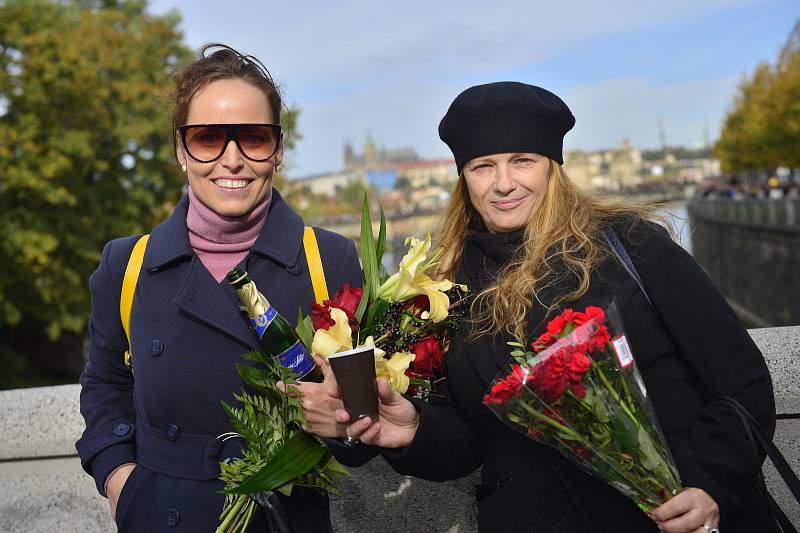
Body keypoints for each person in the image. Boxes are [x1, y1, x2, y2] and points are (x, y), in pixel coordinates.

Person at [319, 82, 777, 532]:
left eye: (522, 161)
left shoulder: (632, 247)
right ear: (464, 178)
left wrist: (708, 483)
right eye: (482, 166)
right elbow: (469, 444)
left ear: (552, 166)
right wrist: (414, 430)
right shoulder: (445, 291)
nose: (503, 183)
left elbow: (742, 383)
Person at [75, 44, 361, 532]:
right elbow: (105, 381)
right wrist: (119, 476)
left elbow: (359, 400)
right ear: (180, 150)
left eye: (253, 137)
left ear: (279, 150)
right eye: (208, 139)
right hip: (161, 511)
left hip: (286, 515)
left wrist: (344, 427)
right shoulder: (126, 264)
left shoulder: (328, 259)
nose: (232, 160)